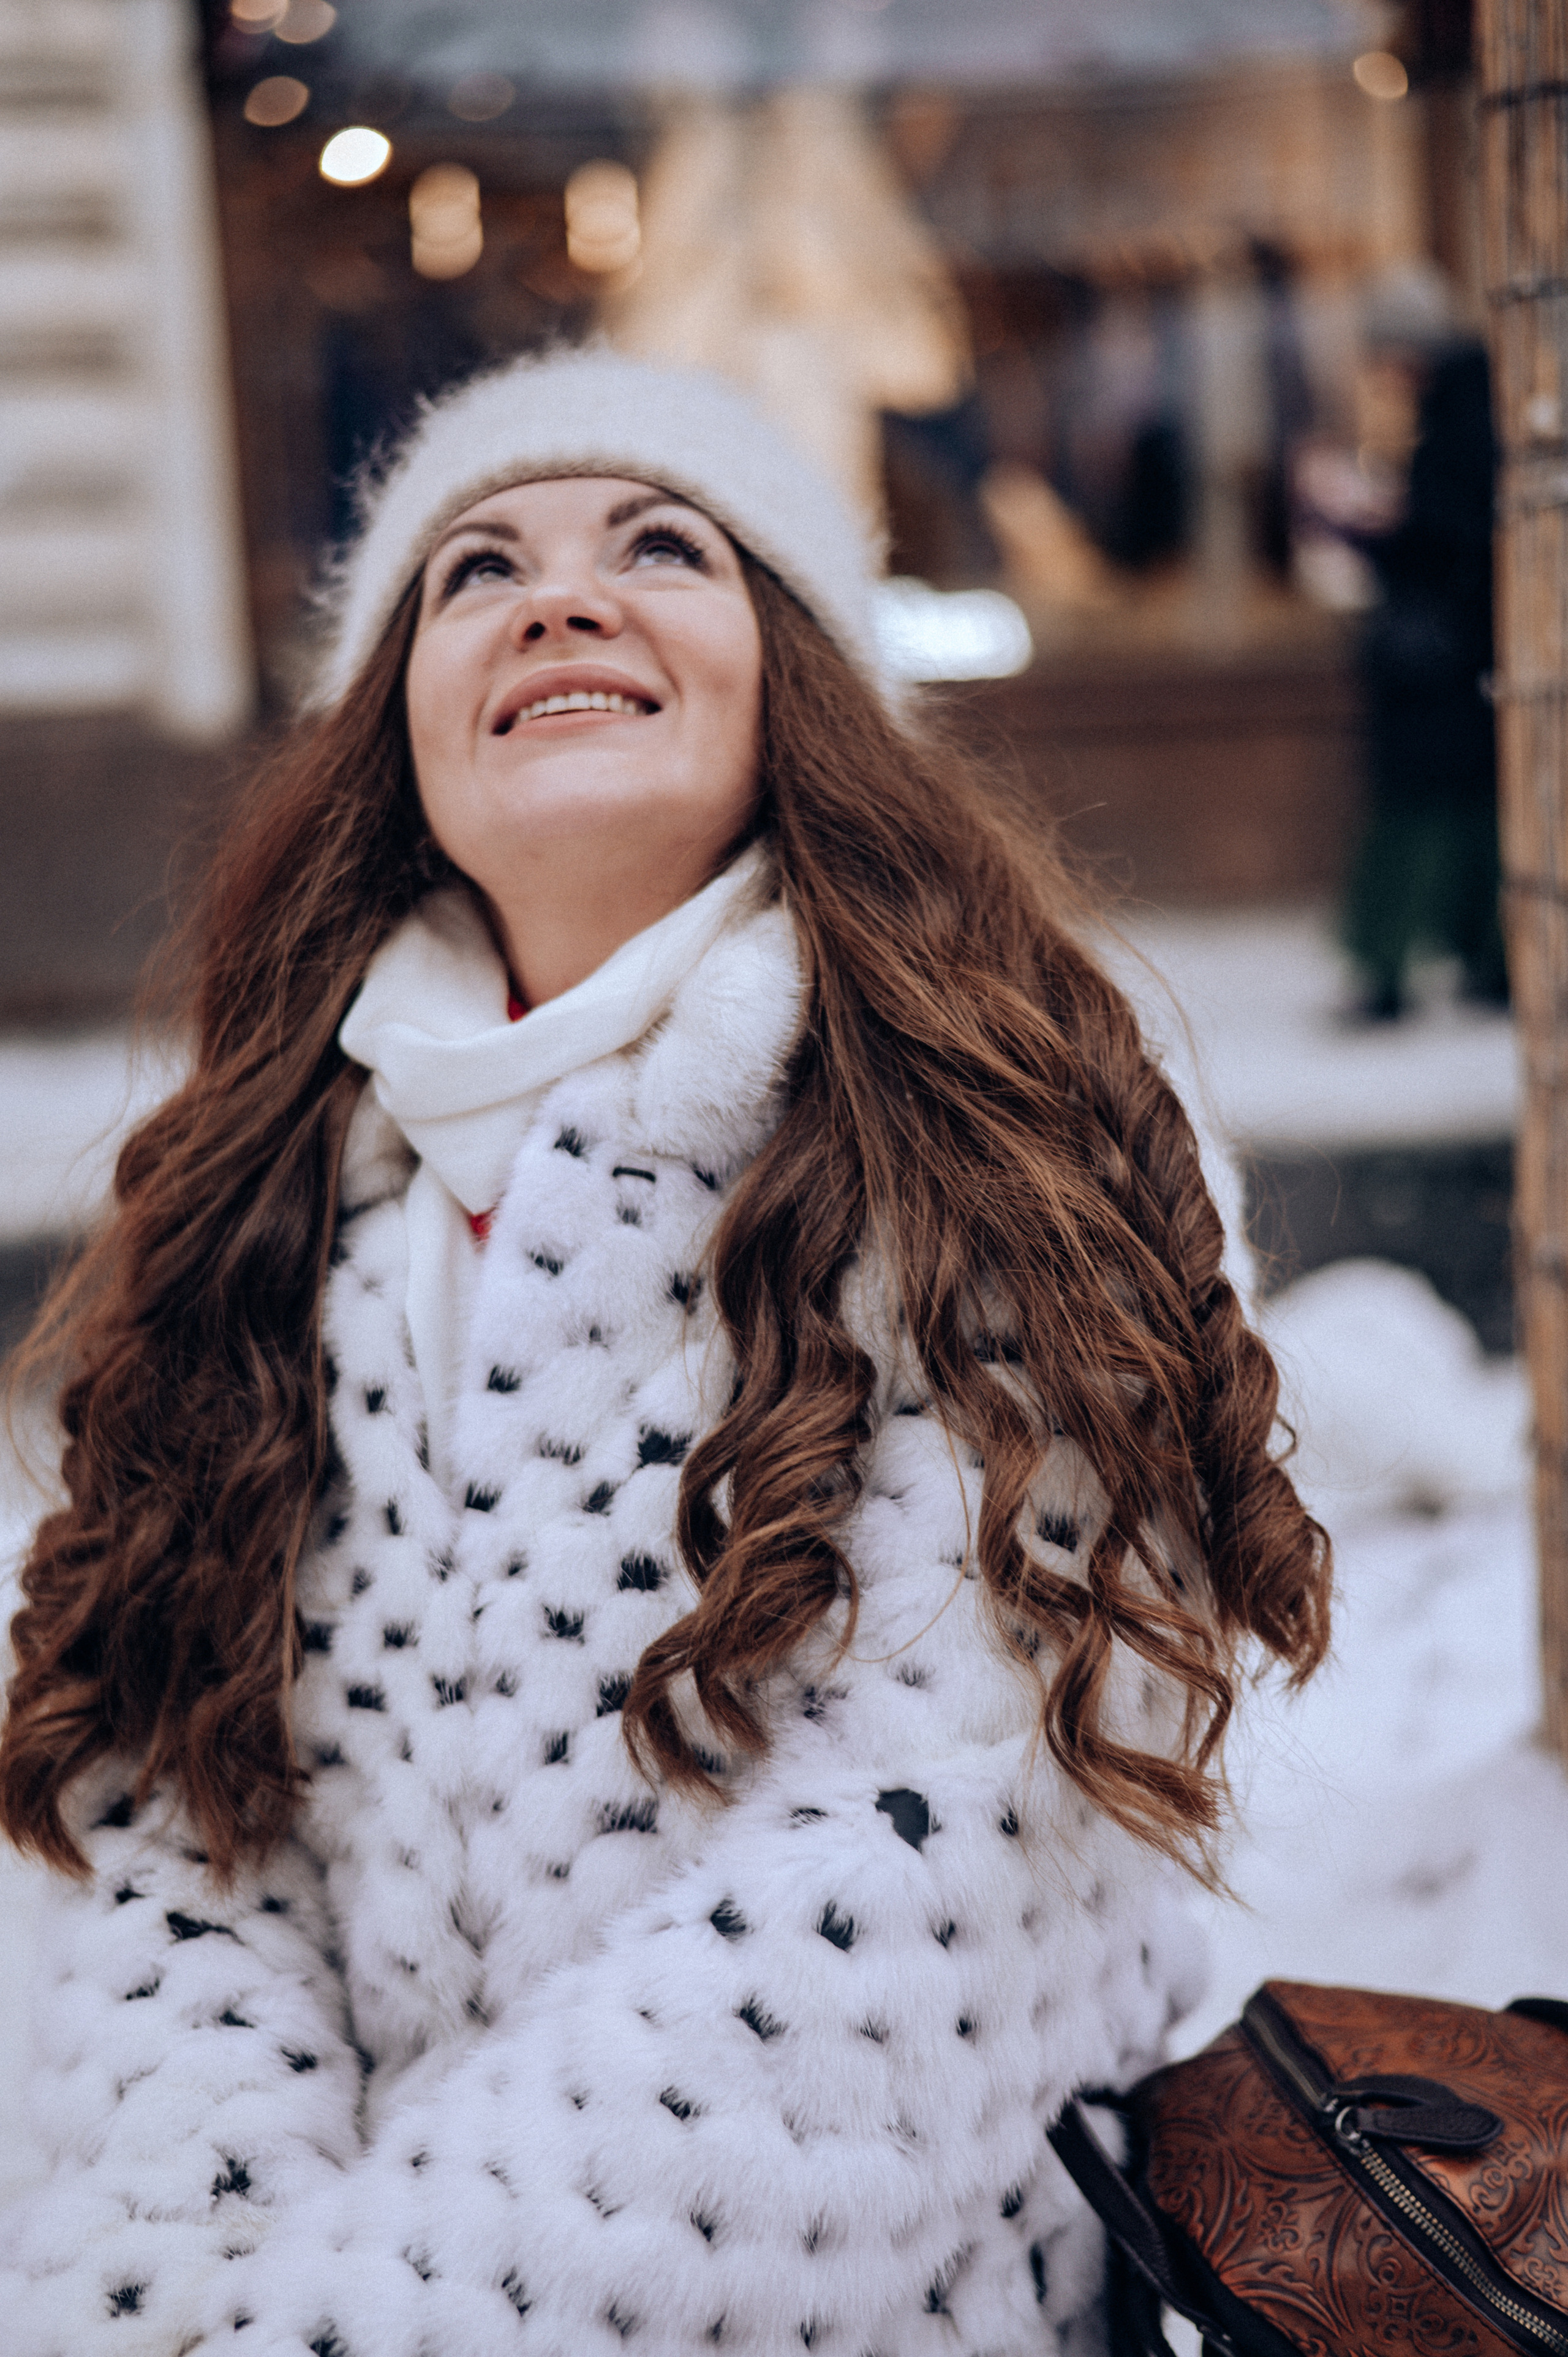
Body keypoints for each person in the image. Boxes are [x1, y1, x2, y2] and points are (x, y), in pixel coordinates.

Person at [0, 349, 1329, 2357]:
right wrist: (174, 2290)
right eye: (476, 571)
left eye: (662, 546)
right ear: (402, 735)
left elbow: (960, 1870)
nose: (561, 597)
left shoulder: (991, 1128)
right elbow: (170, 1803)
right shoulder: (261, 1183)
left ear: (791, 674)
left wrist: (379, 2318)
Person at [1342, 336, 1505, 1020]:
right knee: (1473, 817)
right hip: (1468, 668)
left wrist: (1377, 535)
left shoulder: (1452, 444)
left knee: (1418, 820)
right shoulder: (1484, 436)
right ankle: (1486, 961)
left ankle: (1390, 969)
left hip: (1432, 673)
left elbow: (1443, 545)